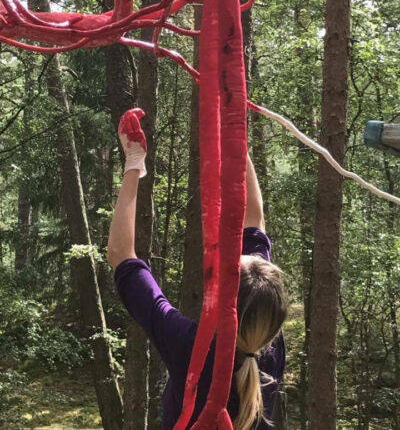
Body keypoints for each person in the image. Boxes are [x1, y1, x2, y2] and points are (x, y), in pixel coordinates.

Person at [107, 108, 287, 430]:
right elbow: (254, 223)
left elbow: (122, 256)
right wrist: (236, 141)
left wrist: (134, 161)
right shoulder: (266, 341)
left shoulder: (191, 348)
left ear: (221, 306)